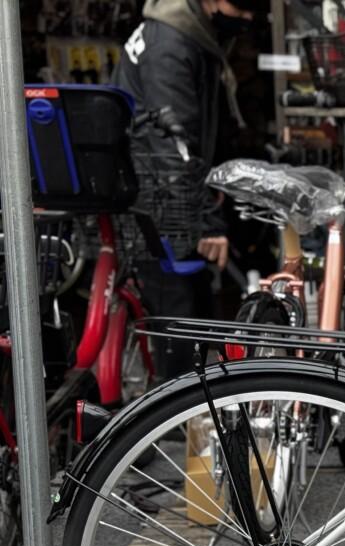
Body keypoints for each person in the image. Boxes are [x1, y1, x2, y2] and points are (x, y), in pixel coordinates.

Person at [112, 0, 263, 378]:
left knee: (195, 314)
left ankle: (190, 402)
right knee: (179, 319)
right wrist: (207, 221)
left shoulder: (193, 34)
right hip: (157, 198)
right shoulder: (170, 44)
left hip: (167, 189)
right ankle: (176, 409)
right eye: (241, 5)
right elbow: (172, 143)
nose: (247, 16)